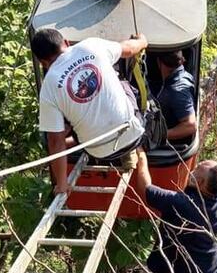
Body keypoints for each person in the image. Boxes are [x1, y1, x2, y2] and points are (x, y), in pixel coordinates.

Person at [32, 28, 149, 194]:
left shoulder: (48, 88)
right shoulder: (90, 46)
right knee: (121, 81)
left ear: (42, 62)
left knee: (66, 117)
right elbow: (128, 49)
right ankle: (131, 151)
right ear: (65, 42)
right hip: (133, 134)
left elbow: (55, 141)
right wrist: (142, 42)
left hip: (98, 151)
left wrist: (62, 184)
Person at [156, 51, 197, 145]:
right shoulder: (184, 75)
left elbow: (190, 126)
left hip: (170, 148)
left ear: (159, 62)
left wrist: (159, 136)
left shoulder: (177, 90)